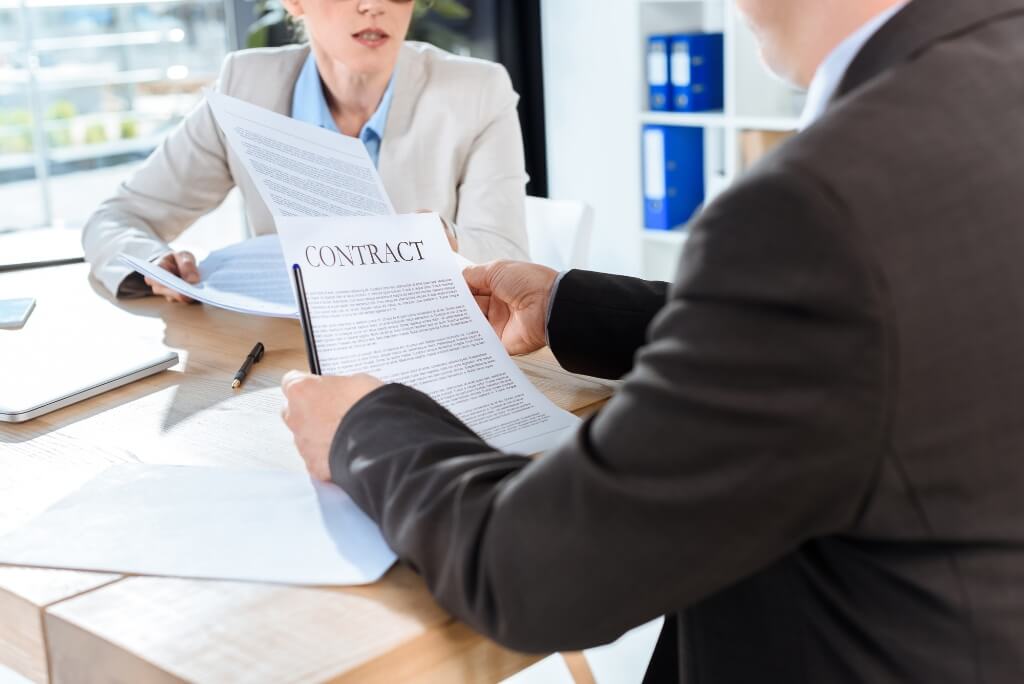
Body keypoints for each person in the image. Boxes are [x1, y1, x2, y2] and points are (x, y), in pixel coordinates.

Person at [281, 0, 1024, 681]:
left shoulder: (817, 206)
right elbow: (882, 328)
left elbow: (540, 574)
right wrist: (570, 306)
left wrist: (363, 429)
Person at [83, 0, 529, 300]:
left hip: (422, 347)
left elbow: (508, 255)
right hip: (275, 351)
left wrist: (436, 239)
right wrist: (154, 266)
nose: (374, 5)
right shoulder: (245, 87)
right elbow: (117, 218)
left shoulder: (476, 90)